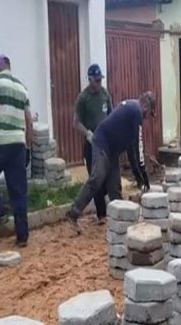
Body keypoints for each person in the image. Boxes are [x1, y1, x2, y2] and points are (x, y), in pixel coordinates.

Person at [66, 92, 153, 235]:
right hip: (102, 142)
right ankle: (73, 213)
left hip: (112, 149)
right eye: (148, 114)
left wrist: (139, 177)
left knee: (114, 186)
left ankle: (121, 221)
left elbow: (132, 150)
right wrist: (144, 176)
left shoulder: (132, 108)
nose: (146, 118)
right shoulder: (136, 111)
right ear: (145, 106)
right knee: (97, 177)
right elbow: (138, 147)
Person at [0, 54, 33, 248]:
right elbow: (28, 120)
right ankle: (22, 237)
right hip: (18, 144)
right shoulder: (22, 87)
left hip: (1, 142)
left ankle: (0, 210)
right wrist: (28, 147)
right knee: (18, 191)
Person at [74, 64, 113, 224]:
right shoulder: (83, 98)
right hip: (91, 144)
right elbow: (76, 122)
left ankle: (110, 207)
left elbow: (111, 114)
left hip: (106, 143)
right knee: (95, 178)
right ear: (89, 79)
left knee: (107, 176)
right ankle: (101, 214)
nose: (98, 83)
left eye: (100, 80)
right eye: (96, 80)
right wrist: (87, 134)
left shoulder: (105, 94)